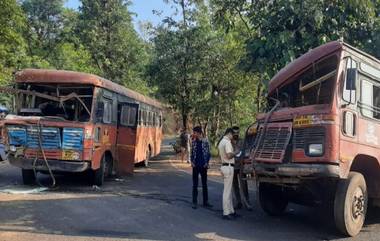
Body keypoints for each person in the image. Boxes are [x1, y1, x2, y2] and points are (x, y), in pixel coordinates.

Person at [218, 128, 239, 220]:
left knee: (229, 191)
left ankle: (231, 211)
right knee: (227, 192)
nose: (233, 137)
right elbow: (229, 155)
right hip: (228, 166)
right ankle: (226, 212)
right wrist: (236, 152)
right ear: (229, 134)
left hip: (225, 166)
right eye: (233, 135)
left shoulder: (221, 142)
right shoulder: (226, 142)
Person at [191, 126, 212, 209]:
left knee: (204, 184)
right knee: (195, 185)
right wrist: (192, 161)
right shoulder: (193, 142)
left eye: (195, 132)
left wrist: (207, 163)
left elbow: (208, 153)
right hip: (195, 166)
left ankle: (205, 202)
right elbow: (192, 153)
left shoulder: (205, 141)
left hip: (203, 166)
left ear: (199, 133)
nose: (194, 134)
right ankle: (194, 202)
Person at [231, 126, 251, 210]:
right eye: (234, 132)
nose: (236, 134)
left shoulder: (242, 141)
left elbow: (247, 151)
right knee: (235, 185)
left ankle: (247, 202)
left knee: (243, 185)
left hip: (241, 165)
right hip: (232, 166)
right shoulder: (229, 142)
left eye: (237, 132)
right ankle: (238, 202)